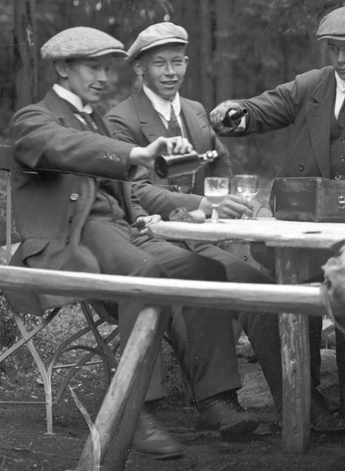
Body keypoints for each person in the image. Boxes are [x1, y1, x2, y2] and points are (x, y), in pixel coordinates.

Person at [7, 27, 266, 459]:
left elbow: (120, 186)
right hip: (71, 237)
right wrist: (132, 155)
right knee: (144, 272)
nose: (103, 78)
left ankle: (216, 401)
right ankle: (137, 411)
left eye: (107, 69)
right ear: (63, 68)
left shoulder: (94, 119)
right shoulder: (34, 118)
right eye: (92, 68)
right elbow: (64, 147)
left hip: (120, 231)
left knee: (205, 270)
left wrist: (140, 215)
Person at [209, 5, 345, 427]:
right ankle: (304, 395)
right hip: (303, 221)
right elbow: (265, 108)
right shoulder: (313, 84)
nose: (340, 58)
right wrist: (235, 112)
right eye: (333, 49)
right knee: (293, 285)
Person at [106, 22, 320, 431]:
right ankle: (217, 403)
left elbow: (217, 158)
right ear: (140, 69)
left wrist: (221, 197)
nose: (170, 72)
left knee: (259, 290)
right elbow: (136, 190)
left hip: (196, 237)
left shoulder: (194, 112)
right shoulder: (122, 120)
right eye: (159, 64)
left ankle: (300, 403)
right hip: (146, 239)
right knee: (198, 292)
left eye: (177, 62)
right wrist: (201, 203)